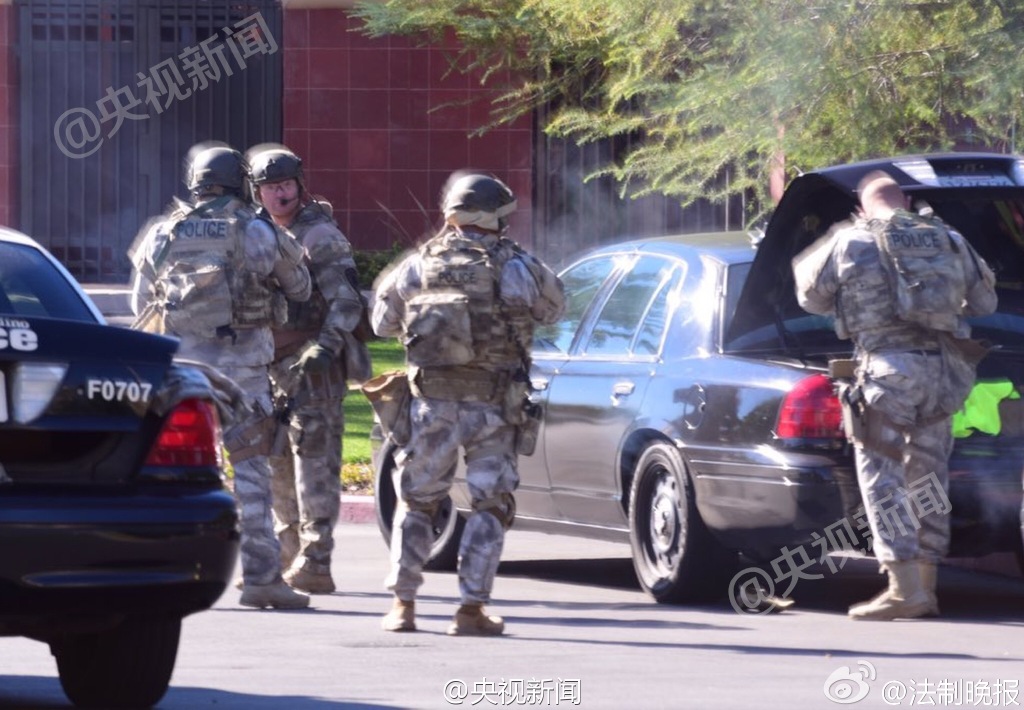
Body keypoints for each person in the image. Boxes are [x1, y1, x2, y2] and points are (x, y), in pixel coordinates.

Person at [793, 170, 997, 621]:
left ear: (861, 207)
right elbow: (986, 304)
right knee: (929, 477)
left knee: (882, 477)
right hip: (943, 373)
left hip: (886, 373)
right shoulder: (950, 239)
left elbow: (809, 298)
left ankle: (903, 589)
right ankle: (927, 586)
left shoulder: (850, 240)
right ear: (904, 202)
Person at [371, 172, 565, 635]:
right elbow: (554, 309)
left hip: (431, 405)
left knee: (417, 501)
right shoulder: (516, 266)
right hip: (494, 406)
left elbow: (381, 323)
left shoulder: (418, 264)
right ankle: (470, 610)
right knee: (490, 504)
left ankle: (402, 605)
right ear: (496, 217)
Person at [129, 142, 313, 610]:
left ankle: (160, 574)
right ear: (240, 182)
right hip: (243, 372)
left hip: (183, 374)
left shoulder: (162, 232)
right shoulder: (256, 230)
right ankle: (261, 578)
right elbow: (300, 288)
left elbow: (140, 304)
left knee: (169, 473)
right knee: (250, 471)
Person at [247, 144, 371, 595]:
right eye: (270, 187)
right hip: (269, 367)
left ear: (300, 185)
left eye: (286, 184)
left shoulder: (320, 236)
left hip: (313, 367)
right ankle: (287, 555)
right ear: (257, 192)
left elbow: (348, 301)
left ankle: (316, 560)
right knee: (276, 461)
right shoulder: (257, 234)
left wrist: (325, 346)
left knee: (315, 464)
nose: (279, 193)